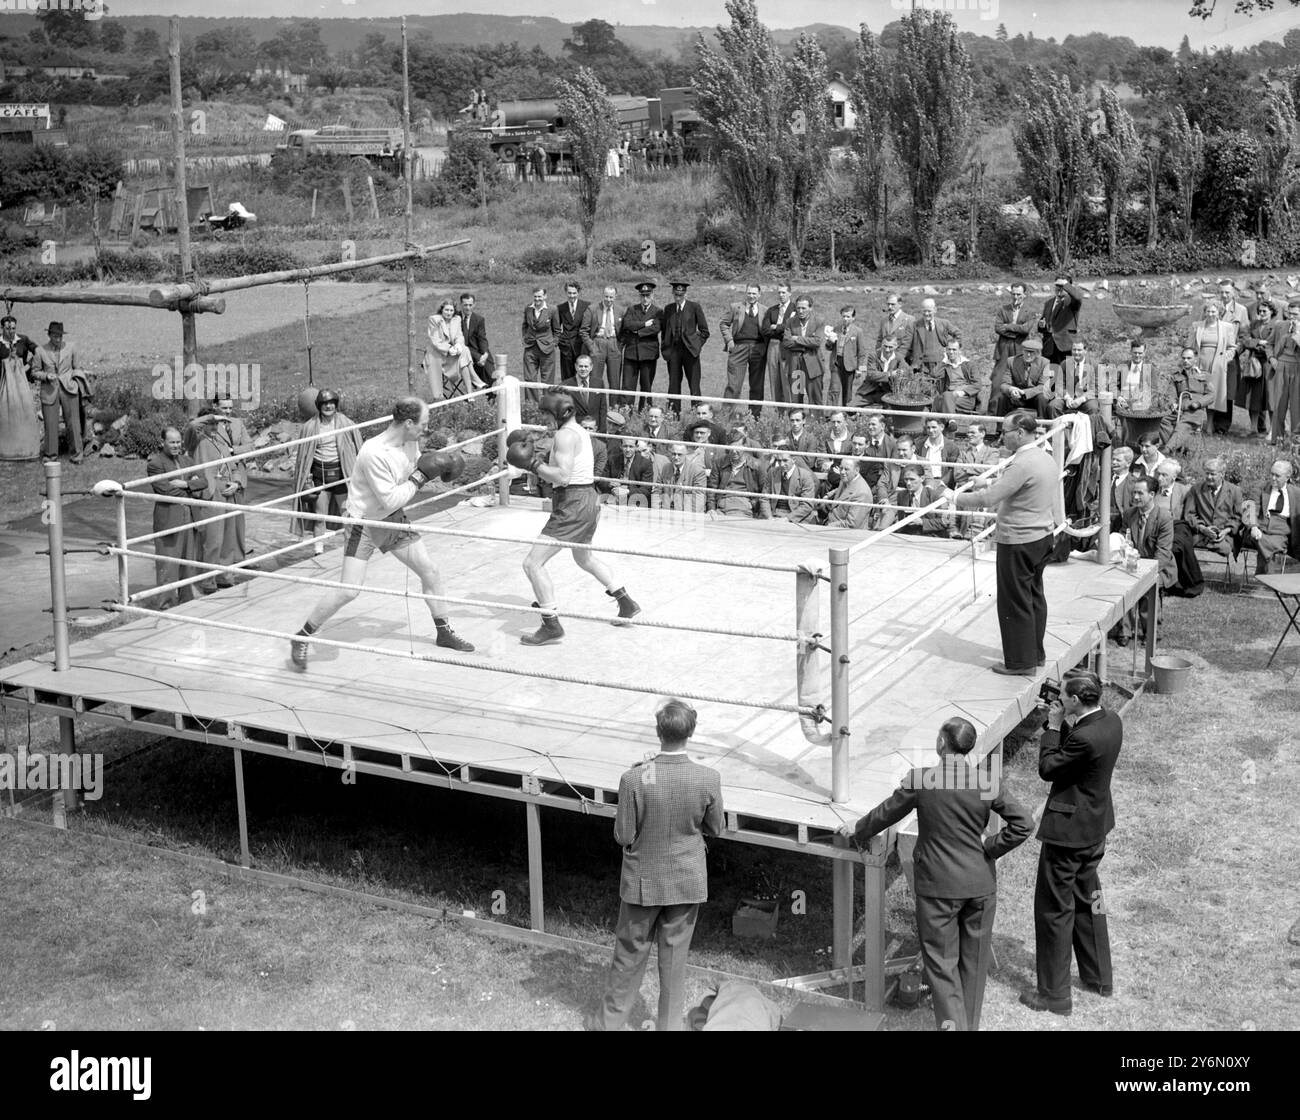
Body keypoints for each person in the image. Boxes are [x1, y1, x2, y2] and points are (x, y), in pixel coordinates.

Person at [840, 716, 1033, 1031]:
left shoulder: (922, 780)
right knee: (974, 963)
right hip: (980, 886)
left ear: (942, 743)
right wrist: (992, 846)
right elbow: (1024, 824)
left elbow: (885, 814)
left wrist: (856, 829)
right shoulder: (987, 781)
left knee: (942, 965)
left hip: (938, 887)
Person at [290, 397, 474, 668]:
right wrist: (422, 477)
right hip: (363, 523)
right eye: (423, 424)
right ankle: (302, 636)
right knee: (349, 591)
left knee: (430, 571)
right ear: (408, 423)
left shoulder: (411, 442)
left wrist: (436, 463)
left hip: (391, 521)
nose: (426, 429)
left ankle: (444, 631)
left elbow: (409, 473)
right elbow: (391, 498)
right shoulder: (373, 452)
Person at [585, 698, 724, 1032]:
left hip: (642, 882)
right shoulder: (708, 777)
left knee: (629, 956)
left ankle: (609, 1024)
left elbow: (623, 835)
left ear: (657, 731)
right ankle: (669, 1027)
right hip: (686, 881)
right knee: (674, 961)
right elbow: (717, 828)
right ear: (691, 731)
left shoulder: (634, 778)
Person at [1022, 670, 1121, 1016]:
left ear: (1077, 700)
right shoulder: (1110, 722)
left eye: (1064, 697)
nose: (1060, 701)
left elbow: (1050, 767)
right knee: (1090, 900)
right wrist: (1065, 720)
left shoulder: (1084, 738)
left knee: (1054, 911)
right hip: (1095, 829)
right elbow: (1078, 748)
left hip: (1068, 836)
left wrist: (1051, 727)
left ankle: (1053, 995)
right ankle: (1098, 977)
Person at [507, 391, 641, 645]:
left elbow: (562, 476)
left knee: (532, 564)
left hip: (573, 503)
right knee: (584, 557)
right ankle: (626, 602)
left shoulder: (565, 435)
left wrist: (533, 464)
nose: (543, 418)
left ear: (560, 413)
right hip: (586, 500)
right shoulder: (578, 431)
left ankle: (551, 623)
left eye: (546, 414)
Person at [953, 411, 1062, 675]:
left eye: (1006, 432)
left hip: (1019, 541)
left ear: (1021, 433)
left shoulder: (1022, 463)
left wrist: (954, 497)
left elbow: (989, 499)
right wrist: (989, 480)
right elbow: (1016, 485)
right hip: (1041, 537)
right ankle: (1034, 654)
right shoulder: (1044, 458)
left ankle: (1020, 662)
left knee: (1015, 601)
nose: (1003, 437)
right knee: (1034, 596)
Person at [294, 389, 363, 556]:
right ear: (319, 406)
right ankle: (319, 550)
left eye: (331, 403)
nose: (329, 406)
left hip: (341, 475)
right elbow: (303, 456)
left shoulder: (346, 423)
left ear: (336, 405)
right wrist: (305, 478)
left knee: (347, 513)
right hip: (320, 476)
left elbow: (359, 446)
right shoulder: (310, 427)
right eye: (325, 404)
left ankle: (352, 548)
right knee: (320, 516)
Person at [1115, 476, 1175, 644]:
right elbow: (1123, 539)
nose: (1135, 497)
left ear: (1152, 494)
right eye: (1133, 493)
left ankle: (1151, 631)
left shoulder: (1164, 517)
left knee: (1150, 588)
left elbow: (1163, 552)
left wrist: (1145, 573)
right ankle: (1124, 631)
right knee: (1123, 586)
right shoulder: (1129, 514)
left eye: (1140, 493)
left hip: (1158, 566)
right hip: (1132, 563)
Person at [146, 427, 201, 609]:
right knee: (168, 562)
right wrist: (190, 488)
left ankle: (187, 599)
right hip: (169, 519)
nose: (177, 446)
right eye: (172, 442)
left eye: (178, 442)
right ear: (163, 442)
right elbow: (164, 489)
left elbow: (203, 481)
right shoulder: (155, 463)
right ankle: (166, 603)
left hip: (189, 517)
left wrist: (185, 483)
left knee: (187, 561)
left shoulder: (187, 460)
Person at [30, 321, 92, 462]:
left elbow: (76, 367)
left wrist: (81, 376)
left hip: (69, 389)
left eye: (60, 336)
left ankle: (77, 455)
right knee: (50, 424)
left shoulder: (71, 348)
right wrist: (46, 376)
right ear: (49, 335)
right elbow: (34, 372)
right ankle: (50, 456)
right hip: (49, 390)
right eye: (55, 336)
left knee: (73, 423)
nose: (58, 339)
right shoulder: (40, 351)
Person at [1237, 459, 1300, 574]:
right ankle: (1270, 580)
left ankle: (1263, 576)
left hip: (1280, 534)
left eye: (1277, 476)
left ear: (1287, 476)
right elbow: (1248, 507)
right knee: (1259, 538)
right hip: (1259, 530)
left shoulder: (1296, 493)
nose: (1273, 478)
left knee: (1265, 542)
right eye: (1272, 474)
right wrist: (1253, 527)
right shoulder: (1260, 488)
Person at [1187, 301, 1237, 436]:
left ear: (1219, 312)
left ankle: (1210, 425)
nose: (1210, 314)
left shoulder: (1227, 327)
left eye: (1213, 311)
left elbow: (1232, 347)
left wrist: (1224, 360)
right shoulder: (1197, 326)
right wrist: (1191, 362)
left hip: (1217, 365)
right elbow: (1189, 346)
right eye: (1208, 311)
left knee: (1212, 394)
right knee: (1197, 393)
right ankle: (1197, 424)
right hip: (1200, 364)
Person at [660, 279, 710, 416]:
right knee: (673, 385)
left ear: (685, 294)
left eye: (681, 295)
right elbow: (664, 331)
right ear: (672, 293)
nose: (678, 297)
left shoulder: (694, 307)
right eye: (676, 294)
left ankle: (697, 414)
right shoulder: (668, 309)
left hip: (690, 352)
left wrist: (696, 345)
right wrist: (665, 347)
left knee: (694, 386)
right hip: (673, 352)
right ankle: (674, 415)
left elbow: (705, 331)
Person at [719, 283, 767, 418]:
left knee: (757, 385)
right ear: (746, 293)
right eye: (749, 293)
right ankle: (725, 416)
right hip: (739, 348)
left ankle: (754, 417)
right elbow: (723, 323)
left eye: (754, 293)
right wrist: (729, 341)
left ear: (759, 294)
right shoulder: (735, 307)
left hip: (758, 349)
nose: (751, 296)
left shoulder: (765, 310)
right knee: (734, 384)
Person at [1184, 456, 1241, 559]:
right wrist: (1202, 528)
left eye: (1213, 474)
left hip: (1224, 535)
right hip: (1201, 534)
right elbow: (1189, 514)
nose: (1209, 477)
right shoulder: (1196, 490)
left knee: (1225, 547)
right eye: (1207, 473)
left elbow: (1238, 517)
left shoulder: (1235, 491)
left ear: (1222, 475)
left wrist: (1226, 530)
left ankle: (1216, 543)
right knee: (1183, 545)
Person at [0, 313, 39, 461]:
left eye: (13, 328)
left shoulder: (23, 340)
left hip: (21, 384)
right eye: (8, 328)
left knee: (24, 412)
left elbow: (39, 352)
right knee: (5, 414)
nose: (11, 331)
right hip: (3, 384)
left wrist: (27, 367)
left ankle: (26, 448)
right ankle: (7, 449)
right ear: (2, 328)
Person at [619, 281, 662, 414]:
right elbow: (627, 324)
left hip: (648, 355)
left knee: (646, 387)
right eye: (642, 295)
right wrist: (644, 324)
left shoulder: (658, 311)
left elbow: (656, 328)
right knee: (627, 386)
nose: (645, 298)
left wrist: (637, 331)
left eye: (648, 295)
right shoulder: (632, 309)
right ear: (639, 296)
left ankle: (645, 414)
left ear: (652, 295)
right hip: (631, 353)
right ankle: (626, 414)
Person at [706, 436, 770, 519]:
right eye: (731, 448)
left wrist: (760, 511)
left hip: (743, 506)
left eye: (738, 448)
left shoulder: (757, 465)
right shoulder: (719, 463)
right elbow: (712, 488)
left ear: (744, 447)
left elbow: (764, 491)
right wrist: (711, 508)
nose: (734, 451)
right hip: (722, 504)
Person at [425, 297, 476, 400]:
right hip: (438, 354)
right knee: (464, 357)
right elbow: (435, 340)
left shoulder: (456, 319)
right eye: (446, 310)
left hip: (453, 354)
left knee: (464, 353)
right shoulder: (434, 320)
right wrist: (448, 349)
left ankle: (470, 394)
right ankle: (473, 384)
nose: (449, 313)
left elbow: (459, 336)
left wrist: (458, 345)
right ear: (442, 310)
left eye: (451, 310)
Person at [781, 297, 829, 406]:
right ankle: (796, 421)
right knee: (796, 397)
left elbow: (817, 342)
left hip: (813, 364)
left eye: (804, 308)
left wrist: (796, 339)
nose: (800, 311)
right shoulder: (790, 321)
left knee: (815, 398)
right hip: (795, 364)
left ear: (810, 308)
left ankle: (816, 422)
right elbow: (786, 342)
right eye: (798, 308)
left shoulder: (819, 321)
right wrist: (807, 344)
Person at [991, 336, 1052, 418]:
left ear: (1038, 353)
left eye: (1032, 352)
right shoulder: (1011, 361)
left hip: (1033, 396)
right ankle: (1000, 428)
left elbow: (1043, 386)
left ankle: (1043, 425)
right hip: (1016, 396)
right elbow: (1004, 384)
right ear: (1022, 351)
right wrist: (1011, 389)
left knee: (1042, 397)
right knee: (1002, 397)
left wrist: (1024, 392)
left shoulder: (1045, 363)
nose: (1028, 354)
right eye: (1026, 351)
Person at [521, 288, 561, 401]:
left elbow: (557, 330)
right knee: (529, 379)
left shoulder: (552, 309)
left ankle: (547, 405)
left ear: (545, 296)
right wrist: (525, 338)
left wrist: (553, 343)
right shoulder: (528, 308)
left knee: (547, 380)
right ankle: (531, 407)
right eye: (535, 296)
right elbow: (524, 325)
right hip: (530, 348)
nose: (537, 299)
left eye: (540, 296)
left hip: (547, 349)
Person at [1269, 301, 1300, 446]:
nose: (1292, 317)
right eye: (1290, 313)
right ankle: (1278, 439)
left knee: (1296, 406)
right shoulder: (1280, 325)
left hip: (1298, 368)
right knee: (1279, 403)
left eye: (1296, 314)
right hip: (1281, 366)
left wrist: (1297, 334)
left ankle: (1296, 440)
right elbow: (1269, 344)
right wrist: (1272, 358)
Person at [1038, 274, 1085, 365]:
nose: (1059, 288)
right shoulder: (1048, 303)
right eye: (1057, 285)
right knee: (1050, 376)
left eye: (1062, 286)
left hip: (1065, 346)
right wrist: (1041, 325)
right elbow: (1043, 323)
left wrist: (1066, 284)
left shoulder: (1072, 302)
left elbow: (1078, 297)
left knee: (1067, 376)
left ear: (1069, 287)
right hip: (1049, 347)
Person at [852, 335, 908, 411]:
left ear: (896, 346)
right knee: (850, 407)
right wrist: (891, 374)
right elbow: (871, 375)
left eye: (890, 347)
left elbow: (906, 371)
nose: (887, 350)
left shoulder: (899, 358)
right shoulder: (873, 356)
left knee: (890, 413)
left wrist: (902, 373)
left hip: (888, 393)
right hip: (870, 391)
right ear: (881, 344)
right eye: (885, 346)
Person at [825, 304, 865, 408]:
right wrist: (830, 341)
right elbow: (828, 347)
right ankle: (829, 415)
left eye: (848, 316)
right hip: (836, 363)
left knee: (847, 392)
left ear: (853, 318)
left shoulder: (857, 332)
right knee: (834, 389)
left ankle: (847, 414)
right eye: (843, 316)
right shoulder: (836, 329)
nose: (845, 319)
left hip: (849, 365)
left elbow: (861, 352)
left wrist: (859, 369)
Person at [763, 282, 796, 405]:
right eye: (779, 292)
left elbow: (791, 327)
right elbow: (765, 330)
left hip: (787, 347)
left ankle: (790, 410)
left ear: (789, 293)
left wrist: (775, 327)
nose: (781, 295)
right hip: (773, 346)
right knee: (774, 378)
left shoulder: (795, 309)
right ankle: (777, 410)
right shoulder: (772, 310)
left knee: (787, 378)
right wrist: (781, 328)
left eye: (784, 292)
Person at [767, 444, 819, 523]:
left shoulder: (805, 476)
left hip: (796, 516)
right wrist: (769, 516)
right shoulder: (772, 473)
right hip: (774, 514)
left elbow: (807, 504)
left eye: (785, 460)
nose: (782, 464)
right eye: (779, 461)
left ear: (794, 459)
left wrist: (787, 519)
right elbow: (764, 497)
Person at [588, 286, 623, 406]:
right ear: (603, 295)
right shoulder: (592, 309)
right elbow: (583, 331)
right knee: (595, 379)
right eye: (606, 296)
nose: (608, 300)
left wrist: (620, 345)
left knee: (615, 380)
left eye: (611, 297)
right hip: (598, 342)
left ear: (615, 297)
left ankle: (614, 409)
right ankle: (595, 406)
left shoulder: (621, 310)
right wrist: (592, 347)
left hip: (614, 344)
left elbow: (625, 331)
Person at [907, 298, 959, 376]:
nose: (926, 314)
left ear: (935, 310)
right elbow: (906, 345)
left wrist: (953, 349)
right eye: (924, 311)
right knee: (923, 387)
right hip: (921, 366)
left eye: (929, 311)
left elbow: (958, 334)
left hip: (940, 364)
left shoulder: (944, 323)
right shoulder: (914, 325)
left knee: (940, 386)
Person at [556, 279, 593, 382]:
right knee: (567, 376)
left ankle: (582, 397)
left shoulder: (586, 306)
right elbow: (556, 328)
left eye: (574, 293)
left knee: (582, 375)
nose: (572, 296)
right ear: (566, 292)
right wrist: (560, 342)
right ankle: (567, 397)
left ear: (578, 292)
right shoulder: (560, 308)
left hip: (581, 346)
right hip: (566, 347)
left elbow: (590, 326)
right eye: (569, 293)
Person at [653, 442, 707, 512]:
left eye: (679, 454)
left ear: (686, 454)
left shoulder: (697, 471)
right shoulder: (665, 468)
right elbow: (657, 492)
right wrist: (655, 511)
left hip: (687, 513)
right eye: (673, 454)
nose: (676, 457)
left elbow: (698, 498)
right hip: (666, 512)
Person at [992, 281, 1032, 375]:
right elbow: (998, 328)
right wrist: (1017, 331)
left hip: (1020, 347)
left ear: (1025, 294)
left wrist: (1008, 326)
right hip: (1003, 347)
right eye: (1013, 294)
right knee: (999, 376)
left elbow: (1025, 329)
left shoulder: (1030, 311)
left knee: (1019, 375)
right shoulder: (1003, 309)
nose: (1015, 297)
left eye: (1019, 294)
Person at [458, 292, 496, 387]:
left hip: (477, 350)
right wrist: (479, 357)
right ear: (460, 304)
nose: (468, 308)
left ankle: (491, 396)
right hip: (462, 351)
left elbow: (482, 338)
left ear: (474, 304)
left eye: (470, 305)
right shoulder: (455, 318)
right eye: (465, 305)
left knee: (489, 367)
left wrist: (485, 354)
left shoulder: (479, 319)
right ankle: (476, 387)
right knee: (477, 359)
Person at [824, 455, 872, 530]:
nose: (842, 472)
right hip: (831, 524)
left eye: (846, 469)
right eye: (841, 468)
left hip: (845, 535)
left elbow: (852, 524)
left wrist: (828, 526)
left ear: (857, 470)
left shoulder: (862, 494)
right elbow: (840, 490)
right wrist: (828, 496)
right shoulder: (847, 479)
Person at [561, 353, 607, 430]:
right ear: (576, 367)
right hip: (575, 429)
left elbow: (603, 408)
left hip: (594, 429)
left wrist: (602, 431)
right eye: (580, 366)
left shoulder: (599, 383)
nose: (583, 369)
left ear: (591, 367)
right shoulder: (566, 385)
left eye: (586, 366)